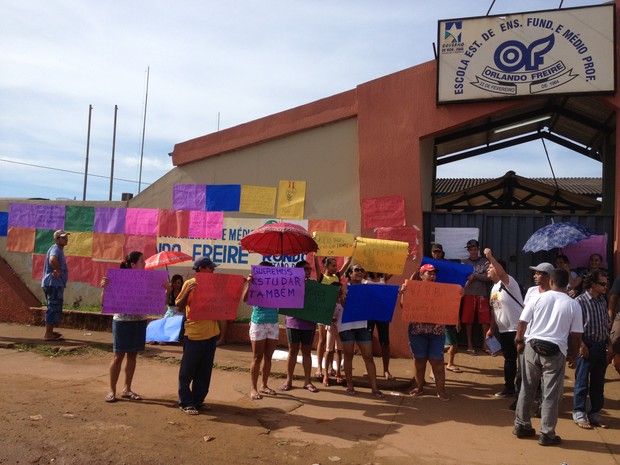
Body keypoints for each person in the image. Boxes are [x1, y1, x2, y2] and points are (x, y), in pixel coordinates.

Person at [513, 268, 583, 447]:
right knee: (550, 393)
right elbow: (576, 335)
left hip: (532, 345)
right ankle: (547, 433)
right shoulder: (573, 304)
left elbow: (522, 322)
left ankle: (521, 425)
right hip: (555, 350)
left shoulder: (537, 297)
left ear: (551, 281)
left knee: (527, 387)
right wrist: (573, 356)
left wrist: (520, 341)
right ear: (566, 283)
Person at [101, 251, 168, 403]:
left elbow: (157, 302)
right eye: (142, 262)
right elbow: (104, 301)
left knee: (133, 355)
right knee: (118, 355)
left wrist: (167, 290)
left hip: (139, 321)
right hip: (122, 321)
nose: (145, 264)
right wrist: (105, 288)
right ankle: (112, 390)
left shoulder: (148, 280)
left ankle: (127, 389)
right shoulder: (117, 279)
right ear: (133, 265)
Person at [175, 257, 220, 415]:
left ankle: (198, 400)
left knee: (204, 370)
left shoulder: (215, 284)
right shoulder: (190, 283)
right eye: (210, 267)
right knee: (188, 370)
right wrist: (187, 291)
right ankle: (185, 402)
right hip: (194, 334)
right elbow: (179, 307)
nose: (213, 270)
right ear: (201, 268)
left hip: (211, 334)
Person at [401, 263, 449, 401]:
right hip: (417, 331)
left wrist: (461, 293)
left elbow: (450, 304)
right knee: (419, 361)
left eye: (434, 274)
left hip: (436, 331)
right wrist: (404, 293)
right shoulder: (413, 289)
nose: (433, 276)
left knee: (437, 361)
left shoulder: (442, 290)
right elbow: (404, 306)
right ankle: (419, 387)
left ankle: (441, 390)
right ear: (422, 276)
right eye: (430, 273)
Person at [572, 270, 611, 429]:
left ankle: (594, 413)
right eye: (602, 284)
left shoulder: (602, 301)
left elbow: (604, 323)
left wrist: (607, 342)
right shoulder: (580, 301)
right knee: (582, 381)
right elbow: (575, 327)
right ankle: (579, 412)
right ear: (593, 284)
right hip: (587, 344)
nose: (605, 287)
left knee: (598, 382)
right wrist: (581, 345)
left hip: (601, 345)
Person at [339, 264, 384, 398]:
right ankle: (350, 386)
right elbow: (342, 305)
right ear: (350, 274)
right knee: (348, 356)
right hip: (346, 326)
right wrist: (343, 295)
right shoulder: (344, 287)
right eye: (356, 270)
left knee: (368, 357)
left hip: (362, 325)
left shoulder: (367, 288)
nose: (359, 272)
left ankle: (375, 388)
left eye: (361, 270)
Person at [484, 248, 523, 399]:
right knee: (509, 360)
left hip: (518, 329)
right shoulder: (493, 288)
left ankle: (527, 391)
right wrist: (491, 329)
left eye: (491, 267)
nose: (488, 269)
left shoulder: (508, 282)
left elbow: (501, 273)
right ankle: (509, 388)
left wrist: (490, 257)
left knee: (523, 361)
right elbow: (495, 309)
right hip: (504, 330)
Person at [242, 261, 279, 400]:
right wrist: (249, 283)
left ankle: (264, 385)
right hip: (258, 322)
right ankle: (253, 388)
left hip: (273, 322)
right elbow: (244, 299)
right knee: (257, 357)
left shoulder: (276, 284)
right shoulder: (254, 284)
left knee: (268, 357)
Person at [281, 260, 319, 393]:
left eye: (309, 269)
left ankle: (307, 382)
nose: (308, 271)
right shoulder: (290, 283)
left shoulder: (314, 285)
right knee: (293, 351)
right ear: (298, 271)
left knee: (307, 352)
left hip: (309, 323)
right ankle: (288, 380)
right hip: (293, 322)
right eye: (305, 269)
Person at [313, 255, 352, 380]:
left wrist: (351, 253)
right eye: (333, 265)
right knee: (322, 340)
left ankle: (330, 367)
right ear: (326, 266)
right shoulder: (321, 277)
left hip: (335, 312)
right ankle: (319, 367)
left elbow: (346, 264)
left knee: (333, 344)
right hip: (323, 312)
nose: (335, 268)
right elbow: (316, 266)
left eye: (336, 265)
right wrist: (315, 255)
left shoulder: (337, 276)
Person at [431, 243, 462, 373]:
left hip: (447, 304)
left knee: (451, 337)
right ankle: (436, 368)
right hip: (434, 307)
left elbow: (456, 285)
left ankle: (450, 363)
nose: (437, 254)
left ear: (442, 253)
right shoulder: (428, 267)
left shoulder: (447, 266)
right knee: (436, 339)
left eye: (438, 252)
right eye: (434, 252)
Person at [461, 239, 491, 355]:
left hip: (481, 294)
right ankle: (469, 344)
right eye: (471, 250)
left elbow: (488, 276)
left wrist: (474, 276)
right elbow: (462, 276)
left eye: (475, 249)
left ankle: (485, 344)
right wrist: (478, 276)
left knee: (485, 320)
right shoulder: (464, 263)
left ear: (478, 249)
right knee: (468, 321)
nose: (473, 252)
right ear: (468, 250)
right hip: (468, 294)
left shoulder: (485, 262)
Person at [364, 271, 394, 380]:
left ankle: (386, 370)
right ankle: (368, 368)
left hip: (382, 312)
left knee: (385, 341)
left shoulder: (384, 276)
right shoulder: (365, 275)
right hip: (368, 312)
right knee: (367, 341)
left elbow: (395, 267)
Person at [41, 230, 69, 341]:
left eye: (66, 237)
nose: (66, 239)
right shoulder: (55, 249)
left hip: (55, 284)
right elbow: (52, 259)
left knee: (54, 307)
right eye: (63, 237)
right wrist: (57, 269)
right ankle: (48, 334)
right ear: (57, 239)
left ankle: (50, 331)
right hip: (53, 284)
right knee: (53, 307)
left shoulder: (58, 250)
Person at [322, 281, 344, 387]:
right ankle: (326, 374)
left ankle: (338, 372)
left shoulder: (342, 301)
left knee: (339, 351)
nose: (339, 292)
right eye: (338, 290)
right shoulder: (329, 301)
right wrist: (329, 318)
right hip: (331, 328)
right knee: (328, 351)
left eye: (341, 290)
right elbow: (324, 314)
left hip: (340, 329)